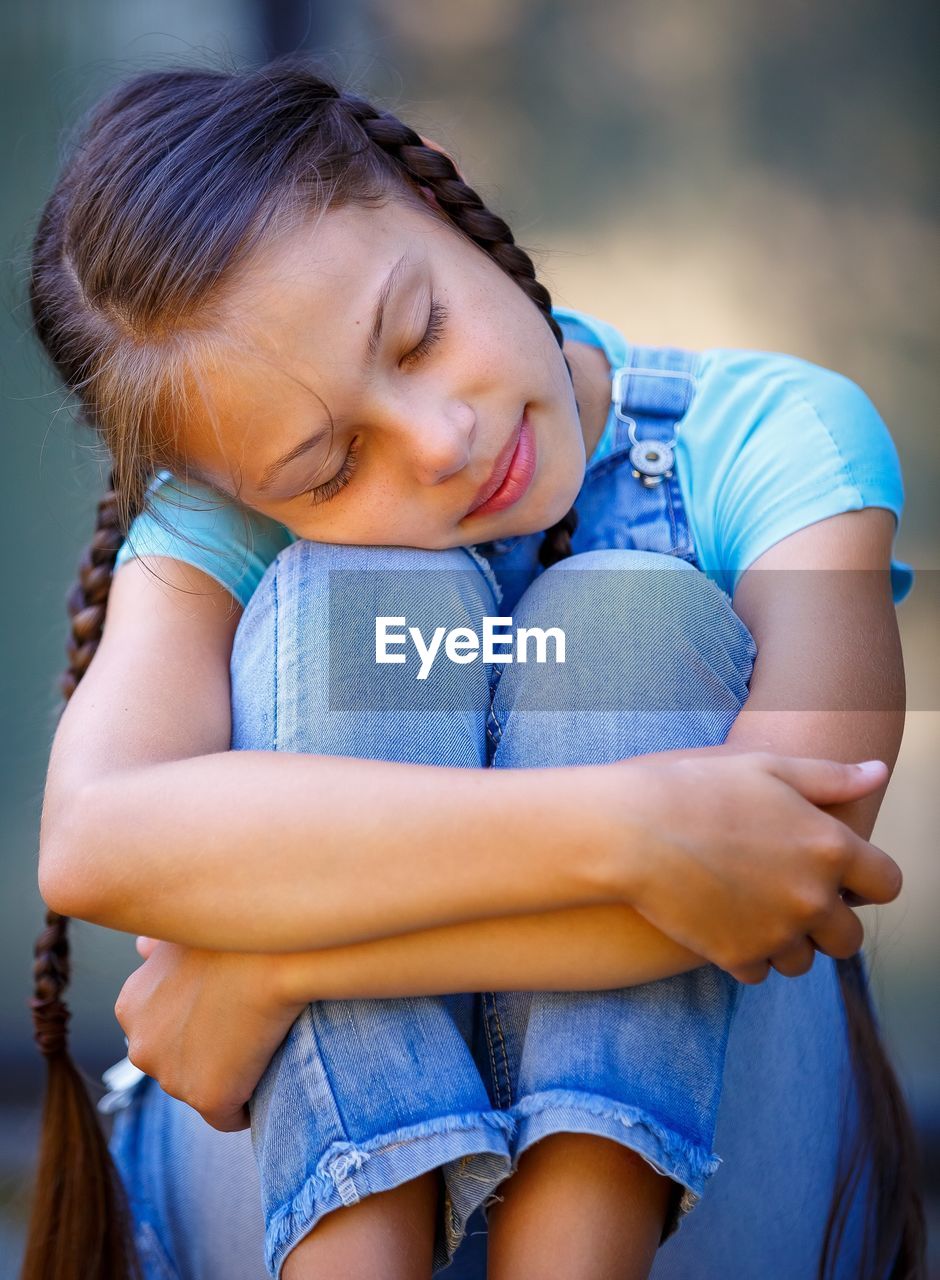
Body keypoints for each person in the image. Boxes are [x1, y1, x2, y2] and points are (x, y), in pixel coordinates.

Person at [23, 55, 924, 1280]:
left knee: (626, 620)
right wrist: (627, 830)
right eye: (326, 470)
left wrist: (272, 956)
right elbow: (91, 835)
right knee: (353, 603)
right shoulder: (219, 531)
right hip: (271, 1205)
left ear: (437, 199)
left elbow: (797, 863)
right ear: (228, 488)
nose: (443, 440)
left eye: (421, 331)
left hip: (722, 1189)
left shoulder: (778, 436)